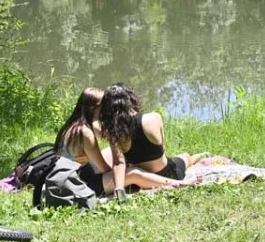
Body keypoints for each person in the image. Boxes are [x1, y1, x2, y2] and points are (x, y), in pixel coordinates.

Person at [55, 87, 184, 199]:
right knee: (132, 173)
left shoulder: (74, 126)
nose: (108, 109)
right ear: (95, 109)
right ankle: (173, 183)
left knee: (111, 155)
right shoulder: (86, 134)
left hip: (70, 176)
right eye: (104, 106)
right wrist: (122, 171)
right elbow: (105, 169)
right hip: (80, 184)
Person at [99, 83, 208, 201]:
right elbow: (163, 150)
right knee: (185, 157)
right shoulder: (154, 118)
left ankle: (200, 155)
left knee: (181, 158)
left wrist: (119, 189)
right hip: (167, 173)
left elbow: (119, 163)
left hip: (143, 180)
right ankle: (201, 155)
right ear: (131, 99)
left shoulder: (114, 132)